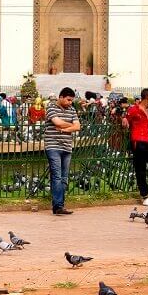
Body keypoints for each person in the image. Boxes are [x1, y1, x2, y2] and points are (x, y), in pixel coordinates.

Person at [45, 87, 81, 215]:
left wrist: (65, 129)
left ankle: (60, 205)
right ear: (61, 97)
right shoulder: (51, 107)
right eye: (68, 100)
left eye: (72, 100)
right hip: (53, 146)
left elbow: (78, 126)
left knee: (64, 178)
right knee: (57, 176)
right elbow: (57, 122)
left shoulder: (71, 109)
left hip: (67, 147)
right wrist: (71, 125)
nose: (70, 103)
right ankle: (58, 206)